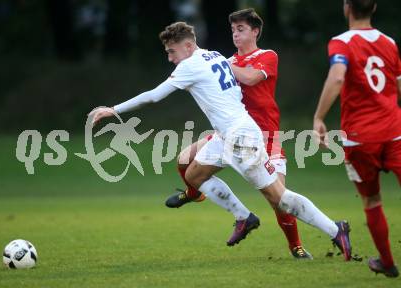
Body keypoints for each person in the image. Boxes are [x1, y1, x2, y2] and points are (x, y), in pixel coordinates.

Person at [90, 21, 352, 261]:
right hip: (227, 134)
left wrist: (113, 109)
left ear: (189, 45)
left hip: (241, 137)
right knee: (193, 174)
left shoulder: (189, 64)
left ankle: (334, 229)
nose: (170, 58)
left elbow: (154, 96)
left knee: (279, 199)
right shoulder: (213, 54)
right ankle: (244, 217)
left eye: (172, 51)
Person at [164, 8, 312, 260]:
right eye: (233, 30)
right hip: (231, 133)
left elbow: (252, 78)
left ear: (255, 31)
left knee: (280, 201)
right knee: (184, 160)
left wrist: (222, 64)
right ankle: (194, 193)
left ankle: (295, 246)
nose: (235, 34)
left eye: (241, 29)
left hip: (264, 136)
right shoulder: (225, 60)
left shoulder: (266, 55)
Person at [313, 0, 400, 277]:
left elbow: (337, 78)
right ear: (373, 8)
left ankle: (387, 262)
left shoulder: (341, 42)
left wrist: (318, 117)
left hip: (361, 138)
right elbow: (398, 86)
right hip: (395, 132)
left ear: (346, 7)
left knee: (372, 201)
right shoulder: (389, 42)